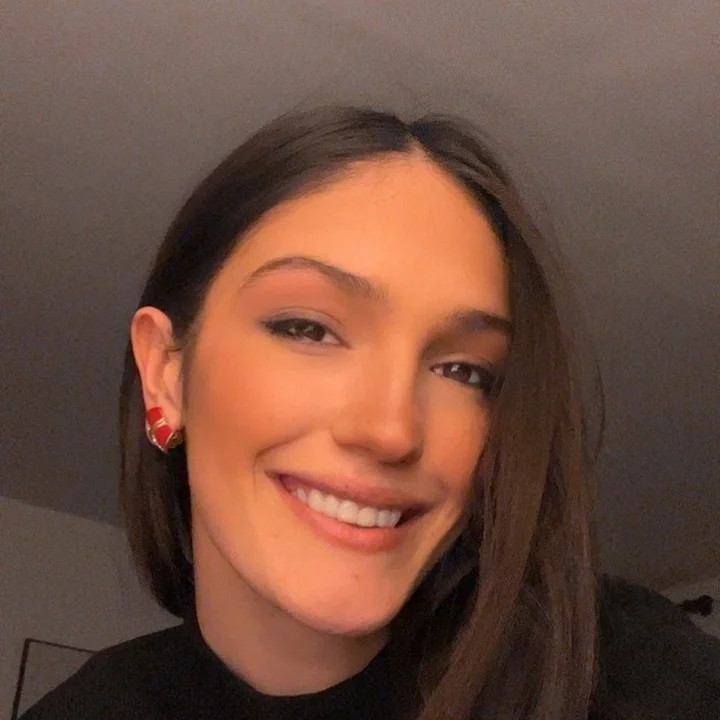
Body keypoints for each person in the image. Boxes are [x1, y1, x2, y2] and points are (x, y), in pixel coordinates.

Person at [21, 106, 720, 720]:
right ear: (166, 373)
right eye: (308, 329)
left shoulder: (620, 671)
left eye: (463, 370)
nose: (391, 431)